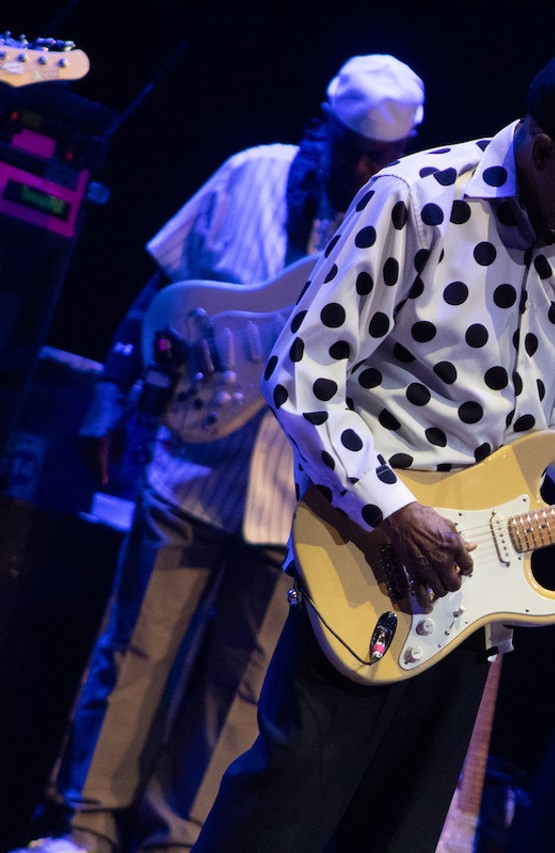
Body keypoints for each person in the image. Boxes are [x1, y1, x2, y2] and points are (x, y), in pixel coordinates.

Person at [190, 46, 555, 852]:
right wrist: (396, 511)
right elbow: (302, 371)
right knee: (282, 814)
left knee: (398, 833)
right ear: (542, 149)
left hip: (475, 592)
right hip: (370, 557)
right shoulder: (416, 200)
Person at [13, 55, 426, 853]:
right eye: (354, 150)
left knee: (237, 689)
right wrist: (109, 395)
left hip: (301, 499)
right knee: (132, 651)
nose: (366, 168)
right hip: (190, 468)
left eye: (385, 157)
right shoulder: (250, 174)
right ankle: (81, 829)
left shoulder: (406, 234)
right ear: (324, 129)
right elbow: (162, 285)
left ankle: (173, 841)